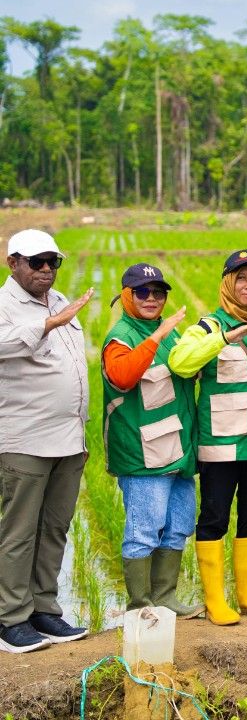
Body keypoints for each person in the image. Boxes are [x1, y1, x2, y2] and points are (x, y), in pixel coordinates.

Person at [167, 250, 247, 626]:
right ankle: (216, 600)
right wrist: (223, 339)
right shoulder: (207, 326)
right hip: (221, 444)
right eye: (241, 278)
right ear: (227, 283)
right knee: (214, 517)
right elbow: (181, 363)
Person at [0, 230, 92, 654]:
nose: (46, 270)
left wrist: (56, 317)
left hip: (69, 439)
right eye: (36, 262)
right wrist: (46, 324)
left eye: (52, 262)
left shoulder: (60, 301)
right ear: (12, 262)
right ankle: (10, 618)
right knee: (17, 533)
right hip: (25, 439)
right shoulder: (4, 306)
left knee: (54, 528)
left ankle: (43, 609)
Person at [101, 263, 200, 618]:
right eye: (142, 292)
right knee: (144, 531)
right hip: (143, 455)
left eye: (159, 292)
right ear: (127, 296)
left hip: (179, 452)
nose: (152, 299)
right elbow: (123, 376)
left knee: (177, 527)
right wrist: (157, 336)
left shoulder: (171, 332)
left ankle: (165, 597)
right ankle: (140, 607)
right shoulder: (121, 336)